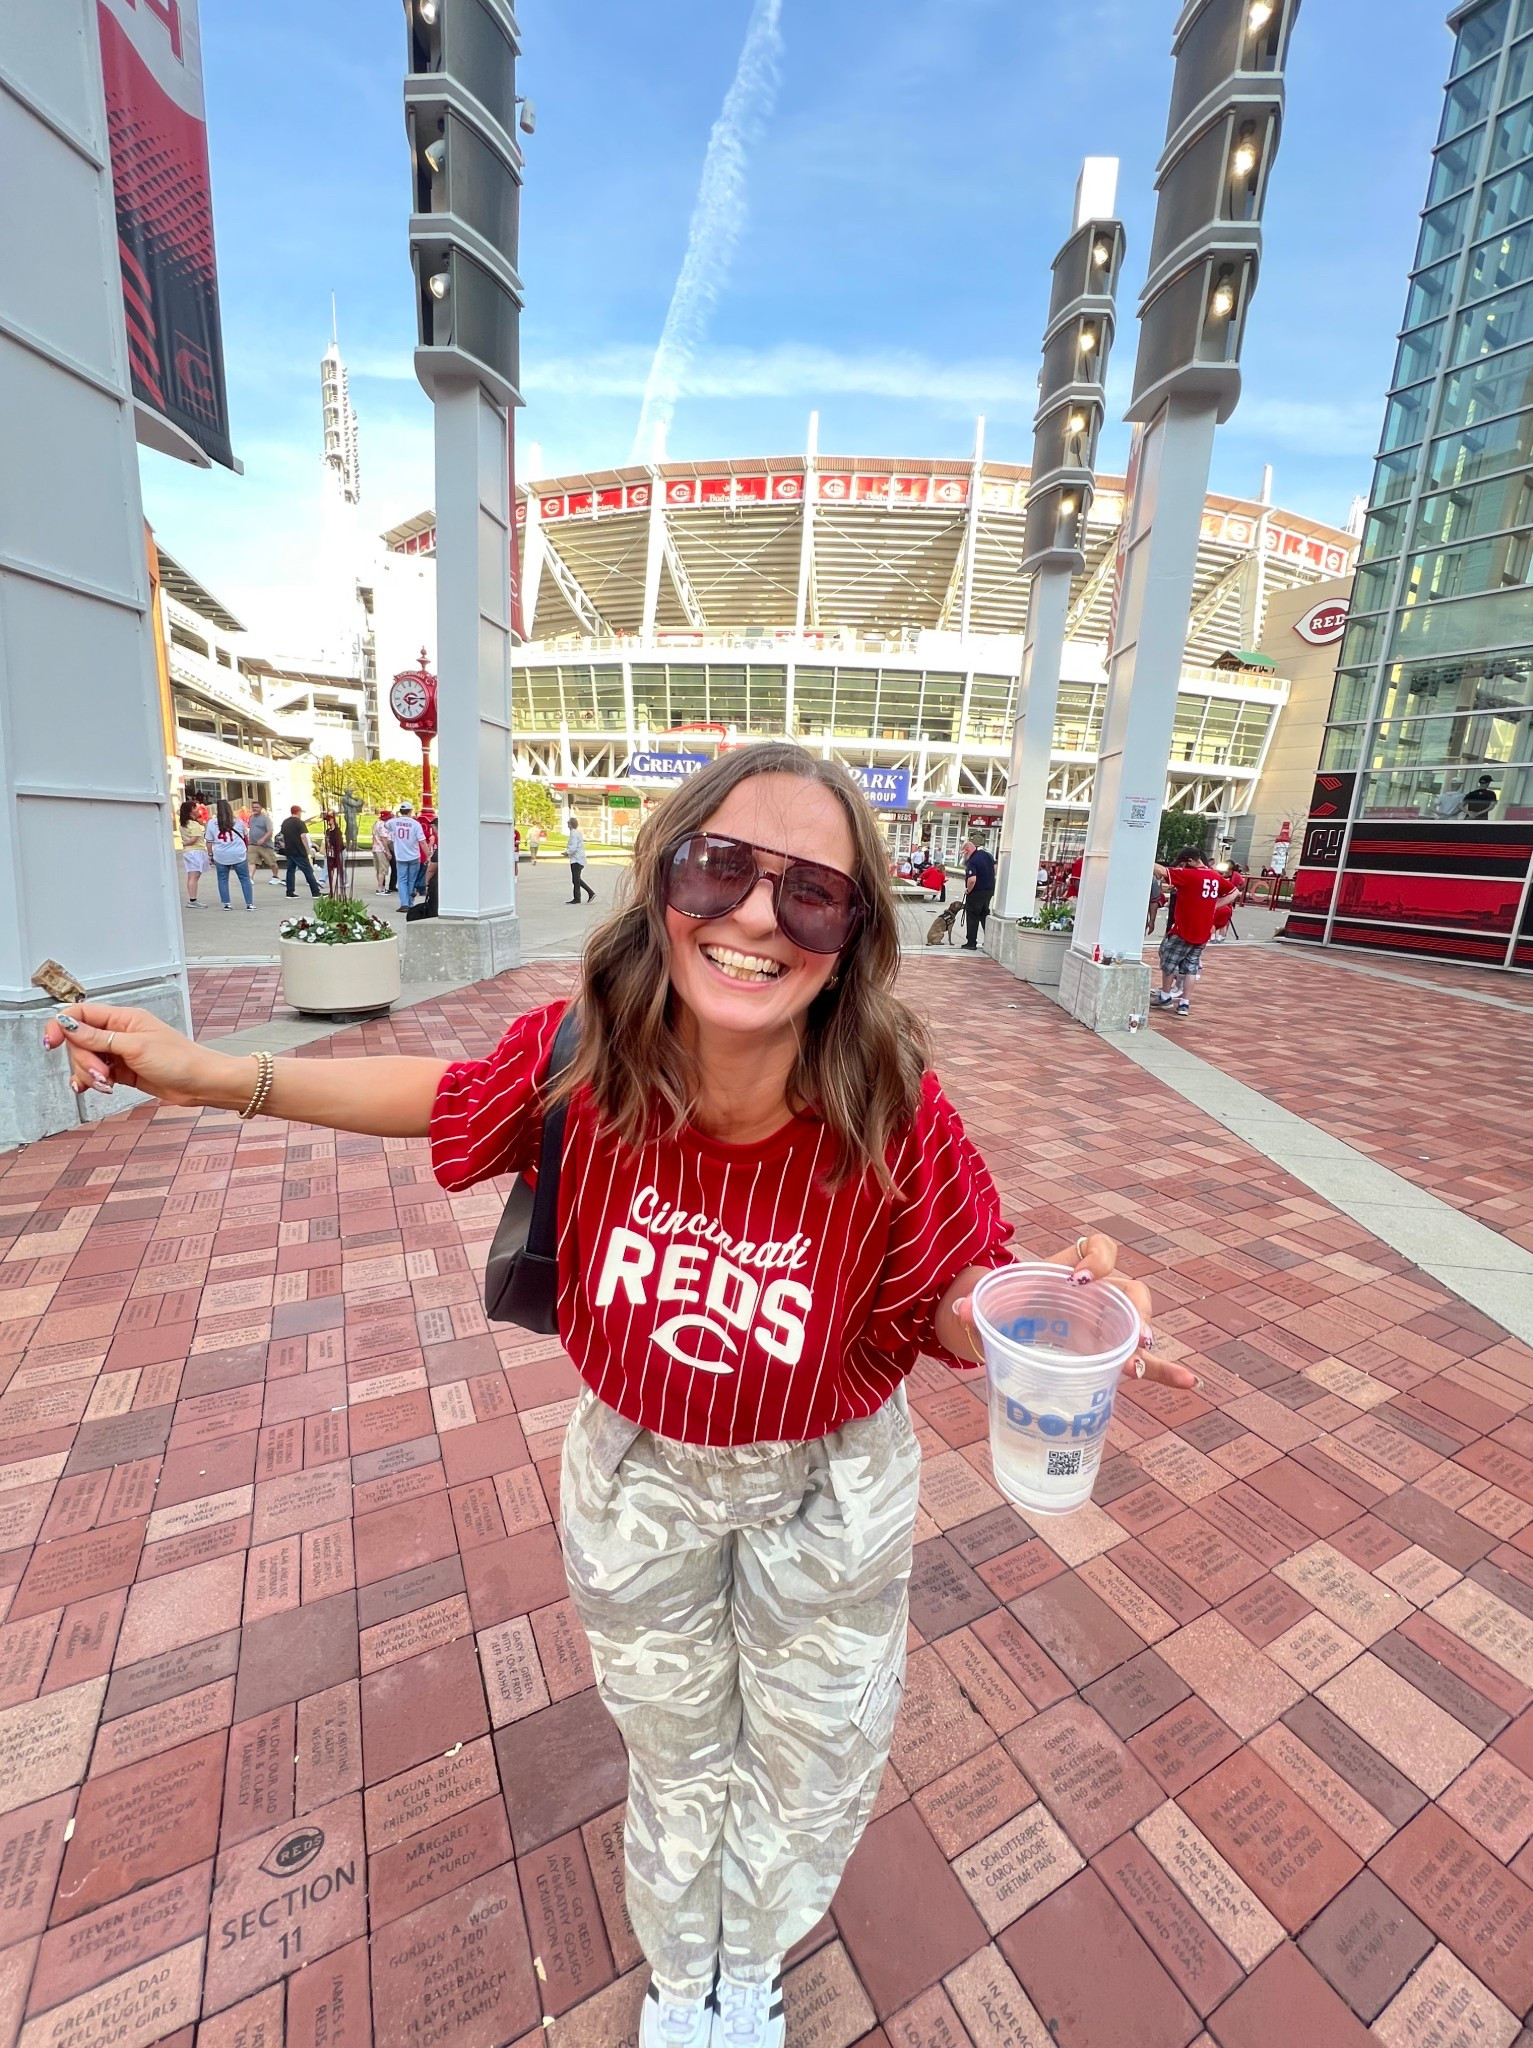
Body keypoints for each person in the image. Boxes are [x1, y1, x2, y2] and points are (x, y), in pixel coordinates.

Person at [45, 741, 1188, 2048]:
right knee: (678, 1745)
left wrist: (1046, 1316)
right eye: (723, 869)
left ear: (852, 935)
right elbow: (446, 1097)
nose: (759, 916)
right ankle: (682, 1964)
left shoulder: (889, 1107)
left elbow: (943, 1293)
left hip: (827, 1491)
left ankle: (749, 1962)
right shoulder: (590, 1059)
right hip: (639, 1474)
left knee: (810, 1762)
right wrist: (204, 1075)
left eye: (812, 893)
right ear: (665, 885)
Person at [1150, 849, 1241, 1018]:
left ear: (1191, 861)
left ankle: (1165, 995)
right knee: (1191, 966)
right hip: (1203, 929)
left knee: (1168, 958)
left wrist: (1144, 856)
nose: (1181, 868)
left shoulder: (1189, 875)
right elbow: (1234, 892)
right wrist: (1214, 905)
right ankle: (1184, 1002)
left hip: (1184, 928)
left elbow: (1162, 871)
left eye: (1183, 864)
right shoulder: (1214, 876)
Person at [206, 799, 254, 911]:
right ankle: (249, 903)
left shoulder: (212, 823)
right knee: (244, 879)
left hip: (221, 854)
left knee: (222, 879)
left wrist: (210, 854)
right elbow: (245, 835)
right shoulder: (238, 822)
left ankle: (227, 903)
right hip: (238, 854)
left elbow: (209, 841)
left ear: (217, 810)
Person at [388, 801, 429, 912]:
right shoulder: (416, 824)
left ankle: (404, 904)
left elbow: (386, 825)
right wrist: (429, 854)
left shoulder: (394, 822)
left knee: (402, 880)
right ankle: (410, 903)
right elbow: (422, 841)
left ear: (400, 811)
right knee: (412, 880)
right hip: (414, 856)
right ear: (410, 811)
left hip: (401, 856)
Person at [960, 830, 995, 950]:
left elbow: (972, 880)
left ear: (967, 851)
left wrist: (968, 890)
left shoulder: (972, 861)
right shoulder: (986, 855)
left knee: (972, 916)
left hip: (976, 893)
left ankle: (971, 942)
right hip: (989, 891)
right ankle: (990, 941)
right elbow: (994, 869)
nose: (963, 856)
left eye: (963, 853)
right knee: (984, 915)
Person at [278, 806, 322, 899]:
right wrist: (307, 850)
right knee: (308, 871)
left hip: (289, 850)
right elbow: (303, 837)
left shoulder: (285, 822)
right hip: (299, 850)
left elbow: (282, 836)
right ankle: (315, 892)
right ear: (298, 812)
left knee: (290, 871)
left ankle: (290, 892)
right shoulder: (300, 823)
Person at [180, 810, 207, 908]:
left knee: (192, 876)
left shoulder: (184, 824)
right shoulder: (194, 824)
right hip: (195, 851)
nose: (197, 810)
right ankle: (193, 900)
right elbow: (194, 839)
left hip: (189, 852)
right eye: (195, 808)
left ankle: (193, 899)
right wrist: (184, 843)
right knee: (194, 876)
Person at [567, 813, 596, 904]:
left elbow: (573, 847)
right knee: (576, 879)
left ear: (571, 824)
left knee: (576, 879)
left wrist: (567, 852)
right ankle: (578, 897)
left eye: (568, 822)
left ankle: (589, 893)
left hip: (576, 859)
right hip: (579, 859)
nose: (567, 824)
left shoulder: (573, 833)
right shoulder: (577, 833)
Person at [247, 802, 278, 878]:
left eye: (257, 807)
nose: (255, 809)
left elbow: (270, 831)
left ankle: (275, 877)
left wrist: (263, 839)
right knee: (251, 861)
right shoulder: (251, 818)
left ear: (261, 808)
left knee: (272, 863)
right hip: (253, 844)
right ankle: (250, 878)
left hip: (265, 845)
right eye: (253, 807)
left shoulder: (266, 819)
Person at [323, 813, 347, 896]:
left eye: (329, 820)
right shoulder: (327, 831)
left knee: (340, 868)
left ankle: (343, 882)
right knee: (330, 869)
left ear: (333, 820)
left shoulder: (337, 831)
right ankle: (330, 887)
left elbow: (339, 843)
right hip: (331, 853)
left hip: (338, 852)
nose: (328, 822)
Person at [373, 810, 395, 893]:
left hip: (375, 848)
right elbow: (384, 839)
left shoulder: (376, 823)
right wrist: (388, 852)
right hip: (381, 849)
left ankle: (381, 886)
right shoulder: (383, 825)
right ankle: (380, 888)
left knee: (378, 869)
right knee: (383, 870)